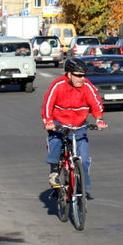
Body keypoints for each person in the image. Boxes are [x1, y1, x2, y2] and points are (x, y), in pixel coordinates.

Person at [41, 57, 107, 198]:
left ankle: (81, 184)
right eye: (78, 75)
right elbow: (48, 104)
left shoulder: (87, 86)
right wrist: (48, 121)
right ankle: (54, 172)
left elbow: (96, 104)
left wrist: (99, 119)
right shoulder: (58, 85)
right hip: (59, 122)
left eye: (83, 75)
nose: (81, 79)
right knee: (56, 141)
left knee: (83, 156)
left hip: (79, 124)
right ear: (69, 74)